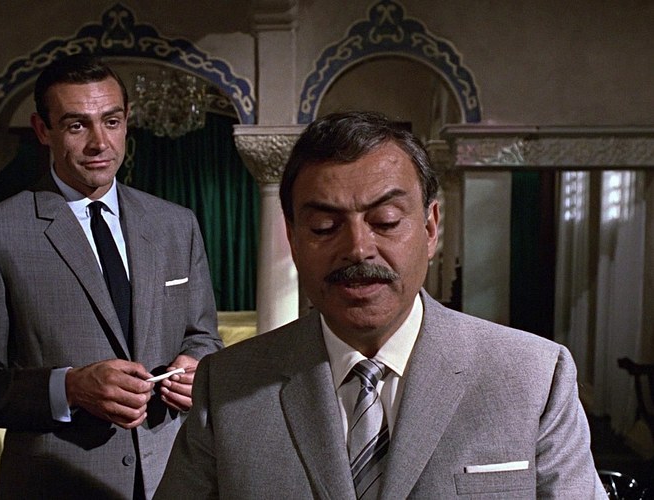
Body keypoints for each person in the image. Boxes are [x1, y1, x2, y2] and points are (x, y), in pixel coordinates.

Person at [155, 111, 605, 499]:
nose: (358, 248)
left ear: (430, 228)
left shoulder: (532, 377)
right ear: (292, 239)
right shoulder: (228, 385)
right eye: (325, 226)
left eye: (386, 221)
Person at [0, 54, 222, 500]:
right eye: (76, 125)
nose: (99, 143)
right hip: (57, 485)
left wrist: (196, 369)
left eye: (111, 121)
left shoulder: (176, 224)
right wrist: (68, 388)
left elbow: (203, 338)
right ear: (42, 129)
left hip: (176, 479)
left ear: (127, 121)